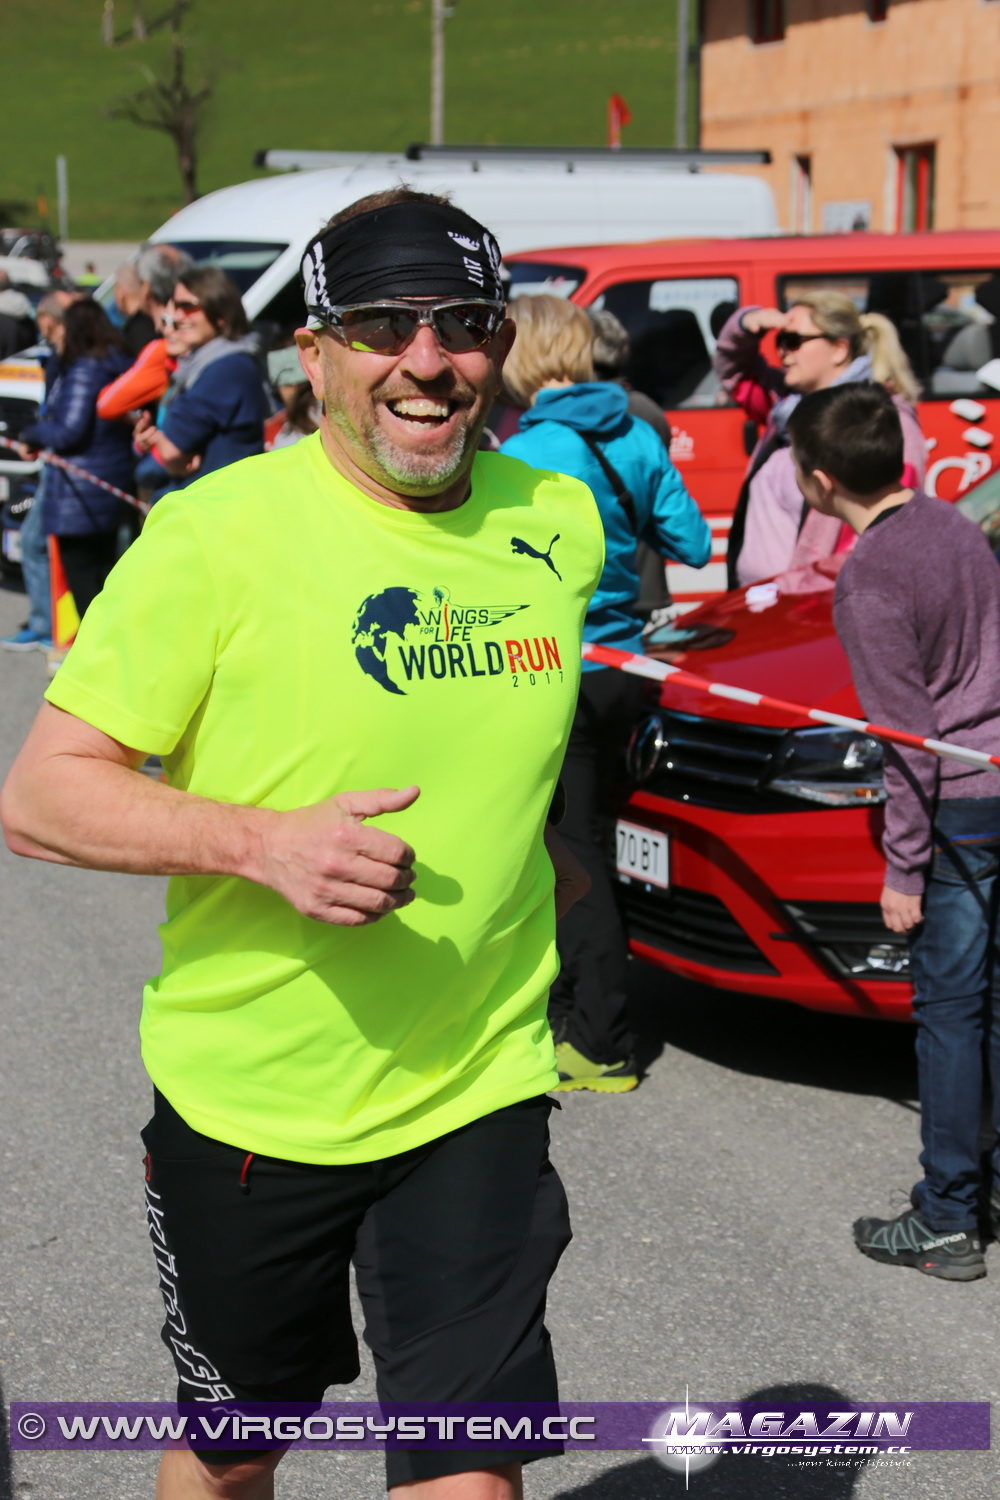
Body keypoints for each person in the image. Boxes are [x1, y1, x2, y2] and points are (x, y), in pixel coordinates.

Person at [1, 188, 603, 1500]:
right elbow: (41, 797)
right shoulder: (214, 538)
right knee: (236, 1450)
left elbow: (521, 760)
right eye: (383, 326)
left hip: (477, 1084)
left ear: (501, 346)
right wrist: (260, 843)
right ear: (314, 354)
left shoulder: (557, 521)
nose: (426, 361)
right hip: (255, 1105)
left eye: (463, 325)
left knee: (469, 1473)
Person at [788, 381, 1000, 1282]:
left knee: (949, 1015)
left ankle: (947, 1217)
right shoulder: (956, 526)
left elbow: (908, 737)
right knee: (992, 1006)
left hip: (958, 812)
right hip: (996, 784)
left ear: (819, 480)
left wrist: (904, 868)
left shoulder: (871, 574)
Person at [500, 293, 711, 1093]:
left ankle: (601, 1040)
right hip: (632, 669)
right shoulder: (637, 432)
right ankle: (580, 1011)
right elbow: (692, 541)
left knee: (571, 855)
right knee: (605, 845)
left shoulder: (528, 451)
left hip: (561, 672)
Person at [718, 292, 927, 588]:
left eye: (793, 340)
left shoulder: (879, 418)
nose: (783, 352)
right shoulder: (784, 407)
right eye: (780, 340)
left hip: (815, 602)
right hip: (763, 601)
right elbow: (735, 373)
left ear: (839, 349)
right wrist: (745, 324)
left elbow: (887, 530)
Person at [18, 299, 133, 621]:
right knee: (104, 572)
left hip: (81, 487)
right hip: (109, 479)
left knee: (83, 577)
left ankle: (89, 642)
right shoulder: (117, 361)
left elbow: (69, 430)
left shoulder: (86, 368)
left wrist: (31, 434)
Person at [132, 266, 270, 500]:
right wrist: (156, 444)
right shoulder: (209, 362)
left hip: (220, 505)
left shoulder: (227, 367)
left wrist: (159, 444)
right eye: (176, 307)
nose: (177, 317)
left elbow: (171, 451)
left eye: (187, 307)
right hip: (212, 500)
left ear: (220, 312)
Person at [0, 298, 68, 652]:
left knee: (33, 541)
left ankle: (45, 626)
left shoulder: (71, 360)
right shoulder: (56, 356)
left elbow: (63, 421)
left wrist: (34, 436)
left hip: (64, 468)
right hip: (52, 465)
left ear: (48, 319)